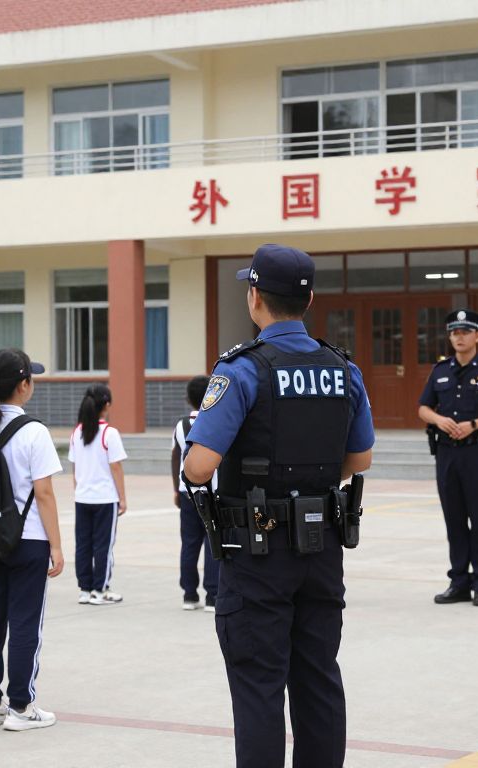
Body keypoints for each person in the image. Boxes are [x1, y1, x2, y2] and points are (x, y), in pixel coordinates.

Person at [184, 244, 374, 768]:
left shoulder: (241, 370)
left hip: (258, 553)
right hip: (321, 548)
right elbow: (360, 458)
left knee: (259, 687)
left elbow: (200, 468)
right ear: (309, 299)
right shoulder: (343, 369)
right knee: (318, 680)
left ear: (254, 298)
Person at [0, 349, 64, 731]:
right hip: (27, 541)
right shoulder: (34, 432)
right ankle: (22, 707)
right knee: (25, 622)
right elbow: (44, 493)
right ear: (23, 385)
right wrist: (56, 546)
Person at [417, 310, 478, 608]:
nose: (459, 336)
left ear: (477, 336)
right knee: (454, 520)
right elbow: (422, 407)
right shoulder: (440, 370)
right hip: (447, 454)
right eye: (454, 332)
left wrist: (474, 424)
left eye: (465, 331)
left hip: (477, 454)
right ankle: (459, 582)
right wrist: (438, 419)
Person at [68, 384, 127, 606]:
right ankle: (100, 590)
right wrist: (123, 498)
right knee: (103, 545)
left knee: (83, 544)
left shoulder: (77, 433)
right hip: (105, 498)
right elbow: (116, 468)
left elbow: (74, 469)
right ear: (107, 405)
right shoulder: (110, 434)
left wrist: (79, 489)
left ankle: (85, 589)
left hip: (82, 497)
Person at [171, 375, 219, 611]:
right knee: (213, 542)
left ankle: (189, 594)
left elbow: (175, 457)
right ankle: (213, 595)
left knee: (189, 543)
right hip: (212, 492)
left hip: (186, 491)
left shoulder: (181, 425)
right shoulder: (217, 421)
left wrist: (175, 488)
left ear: (188, 398)